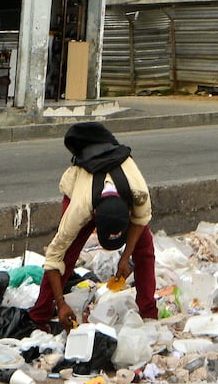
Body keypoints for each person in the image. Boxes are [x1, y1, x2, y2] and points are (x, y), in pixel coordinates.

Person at [29, 123, 157, 329]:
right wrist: (61, 304)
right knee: (67, 255)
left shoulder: (138, 194)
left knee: (145, 251)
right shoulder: (80, 209)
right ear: (94, 219)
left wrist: (125, 258)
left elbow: (140, 222)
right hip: (85, 189)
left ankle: (149, 312)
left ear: (128, 210)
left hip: (116, 192)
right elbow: (54, 258)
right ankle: (40, 314)